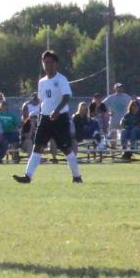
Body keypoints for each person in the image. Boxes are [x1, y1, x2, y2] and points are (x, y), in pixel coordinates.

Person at [13, 50, 82, 185]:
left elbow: (67, 97)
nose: (48, 65)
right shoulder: (42, 82)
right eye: (45, 63)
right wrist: (40, 116)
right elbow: (42, 101)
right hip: (45, 119)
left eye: (50, 62)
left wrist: (57, 111)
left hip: (60, 118)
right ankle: (27, 176)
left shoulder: (61, 79)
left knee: (66, 148)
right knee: (37, 147)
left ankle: (77, 176)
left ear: (56, 64)